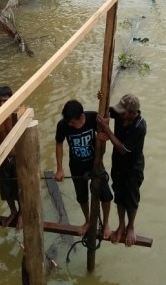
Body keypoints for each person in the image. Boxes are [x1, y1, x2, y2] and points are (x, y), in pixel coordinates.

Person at [55, 100, 113, 239]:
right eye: (68, 121)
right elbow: (59, 144)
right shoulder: (63, 124)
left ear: (81, 117)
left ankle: (105, 223)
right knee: (82, 197)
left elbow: (107, 126)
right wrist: (59, 169)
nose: (69, 124)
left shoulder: (93, 117)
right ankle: (87, 221)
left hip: (95, 163)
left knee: (106, 195)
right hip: (76, 165)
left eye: (72, 122)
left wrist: (103, 136)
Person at [97, 93, 146, 247]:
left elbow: (123, 149)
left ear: (132, 113)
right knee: (119, 195)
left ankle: (130, 226)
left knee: (131, 199)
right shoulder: (120, 114)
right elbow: (107, 110)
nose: (119, 114)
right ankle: (121, 225)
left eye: (123, 112)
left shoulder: (140, 126)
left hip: (133, 167)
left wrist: (107, 130)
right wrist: (102, 98)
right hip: (118, 164)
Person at [0, 85, 21, 229]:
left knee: (20, 188)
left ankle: (22, 214)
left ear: (11, 100)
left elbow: (26, 135)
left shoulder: (17, 115)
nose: (2, 104)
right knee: (6, 189)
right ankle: (13, 212)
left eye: (5, 101)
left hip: (17, 157)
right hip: (2, 157)